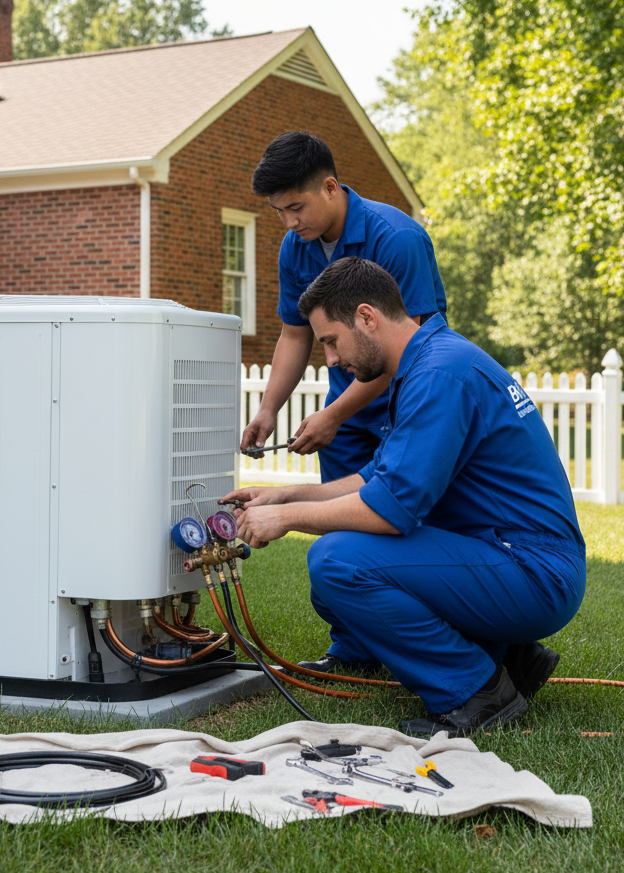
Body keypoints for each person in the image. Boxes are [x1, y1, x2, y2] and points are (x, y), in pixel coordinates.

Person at [223, 257, 586, 734]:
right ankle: (509, 655)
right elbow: (375, 479)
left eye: (331, 340)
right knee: (333, 592)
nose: (330, 359)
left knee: (337, 562)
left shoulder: (439, 375)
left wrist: (288, 518)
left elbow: (390, 510)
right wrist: (284, 494)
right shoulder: (430, 361)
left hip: (532, 570)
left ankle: (478, 690)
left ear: (368, 317)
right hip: (511, 554)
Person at [241, 131, 446, 482]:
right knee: (340, 524)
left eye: (296, 208)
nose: (289, 223)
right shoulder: (294, 248)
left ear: (330, 187)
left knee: (405, 519)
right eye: (279, 212)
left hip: (409, 406)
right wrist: (268, 409)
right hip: (346, 411)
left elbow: (406, 346)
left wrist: (333, 416)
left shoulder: (397, 239)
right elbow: (294, 335)